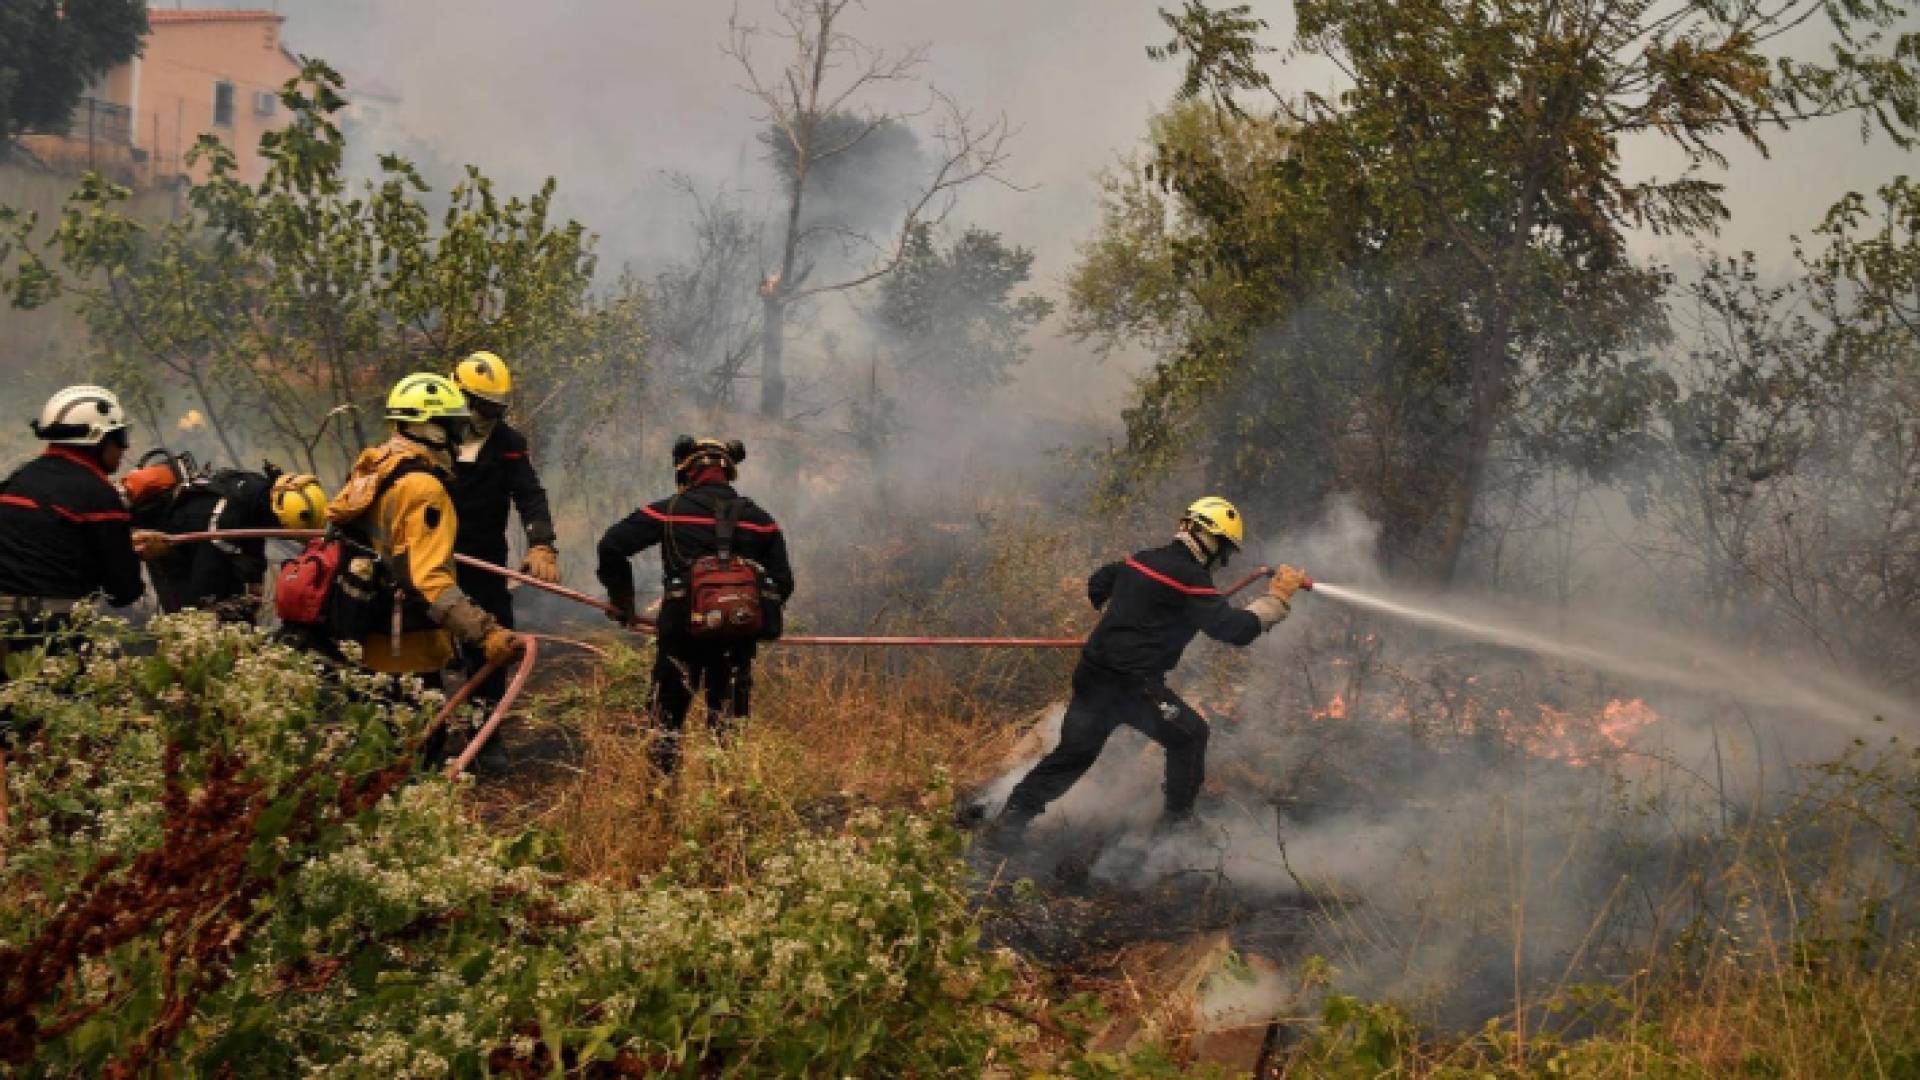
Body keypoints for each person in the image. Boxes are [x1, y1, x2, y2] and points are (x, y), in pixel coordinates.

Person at [982, 497, 1309, 851]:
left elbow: (1099, 582)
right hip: (1132, 687)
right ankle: (1178, 828)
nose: (1224, 560)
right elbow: (1235, 629)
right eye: (1225, 550)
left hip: (1093, 674)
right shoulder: (1189, 577)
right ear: (1209, 540)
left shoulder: (1143, 559)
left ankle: (1009, 823)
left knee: (1073, 755)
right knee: (1190, 736)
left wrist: (1131, 614)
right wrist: (1277, 598)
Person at [596, 435, 795, 774]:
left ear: (686, 472)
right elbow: (783, 583)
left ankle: (660, 800)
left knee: (665, 724)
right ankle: (729, 804)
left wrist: (623, 603)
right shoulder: (761, 519)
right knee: (729, 730)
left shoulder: (670, 511)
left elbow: (611, 545)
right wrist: (744, 615)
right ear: (729, 472)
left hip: (680, 634)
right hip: (736, 638)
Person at [326, 373, 522, 693]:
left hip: (361, 636)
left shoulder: (377, 465)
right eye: (454, 426)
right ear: (429, 428)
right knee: (421, 737)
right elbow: (429, 579)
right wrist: (486, 634)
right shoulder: (424, 488)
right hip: (403, 647)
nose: (459, 437)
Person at [0, 386, 145, 686]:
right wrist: (135, 553)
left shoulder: (17, 481)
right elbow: (124, 591)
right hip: (51, 634)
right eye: (119, 438)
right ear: (97, 439)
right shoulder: (98, 496)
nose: (124, 448)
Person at [447, 351, 559, 703]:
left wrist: (542, 543)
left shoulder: (507, 443)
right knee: (424, 651)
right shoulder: (431, 434)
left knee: (496, 648)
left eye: (495, 410)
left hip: (484, 561)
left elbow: (529, 494)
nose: (486, 418)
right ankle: (424, 740)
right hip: (431, 560)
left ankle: (485, 735)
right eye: (480, 406)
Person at [121, 453, 329, 622]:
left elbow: (252, 545)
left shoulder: (257, 495)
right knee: (189, 623)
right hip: (174, 549)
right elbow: (206, 581)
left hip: (191, 541)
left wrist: (253, 582)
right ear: (282, 518)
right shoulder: (229, 519)